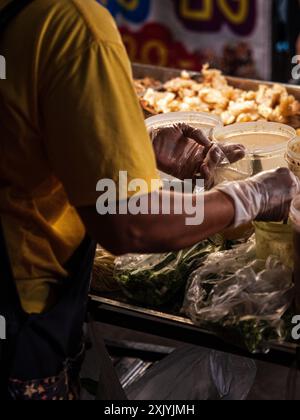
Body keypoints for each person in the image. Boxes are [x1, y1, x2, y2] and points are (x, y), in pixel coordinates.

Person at [0, 0, 299, 400]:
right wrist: (252, 196)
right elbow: (131, 222)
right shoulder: (73, 24)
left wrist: (126, 142)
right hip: (22, 312)